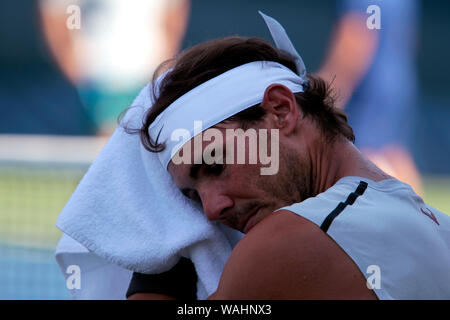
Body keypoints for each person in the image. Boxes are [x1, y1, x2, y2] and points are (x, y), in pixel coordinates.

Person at [125, 16, 450, 300]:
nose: (211, 210)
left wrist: (160, 259)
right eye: (192, 196)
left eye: (215, 164)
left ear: (281, 110)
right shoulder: (440, 229)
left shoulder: (292, 239)